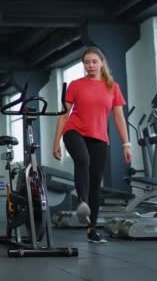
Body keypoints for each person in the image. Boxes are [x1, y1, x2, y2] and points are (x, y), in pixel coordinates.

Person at [52, 46, 132, 244]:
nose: (90, 65)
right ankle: (82, 202)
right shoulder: (75, 85)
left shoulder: (112, 87)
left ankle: (91, 229)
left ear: (102, 63)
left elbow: (119, 117)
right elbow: (64, 115)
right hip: (74, 131)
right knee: (83, 160)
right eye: (86, 62)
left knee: (96, 183)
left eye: (94, 61)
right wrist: (56, 142)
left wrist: (126, 144)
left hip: (99, 138)